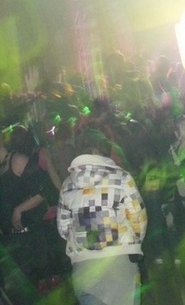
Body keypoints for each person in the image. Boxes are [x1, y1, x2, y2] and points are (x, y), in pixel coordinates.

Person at [57, 122, 147, 305]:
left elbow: (63, 229)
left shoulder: (67, 185)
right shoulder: (121, 178)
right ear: (102, 149)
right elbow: (139, 219)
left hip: (84, 268)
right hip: (119, 264)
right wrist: (132, 242)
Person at [0, 129, 48, 304]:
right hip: (9, 239)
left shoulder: (17, 160)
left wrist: (19, 209)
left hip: (27, 236)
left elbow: (43, 191)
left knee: (27, 291)